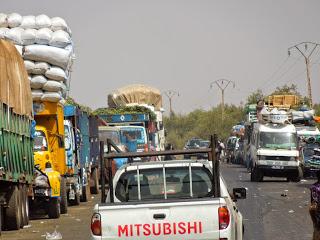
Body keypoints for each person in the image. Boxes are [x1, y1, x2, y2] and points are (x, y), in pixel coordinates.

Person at [310, 170, 320, 240]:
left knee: (317, 228)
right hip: (318, 210)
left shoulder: (314, 186)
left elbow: (312, 201)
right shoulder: (316, 187)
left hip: (315, 210)